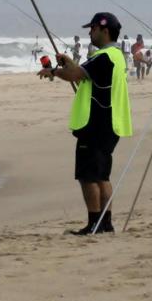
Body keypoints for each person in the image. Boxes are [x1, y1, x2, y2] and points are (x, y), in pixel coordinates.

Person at [38, 12, 132, 235]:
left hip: (96, 124)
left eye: (92, 28)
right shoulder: (115, 56)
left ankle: (94, 224)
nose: (90, 32)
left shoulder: (104, 56)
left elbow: (74, 76)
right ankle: (104, 223)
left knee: (88, 177)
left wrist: (53, 70)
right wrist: (70, 64)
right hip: (110, 124)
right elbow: (83, 74)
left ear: (104, 30)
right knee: (101, 176)